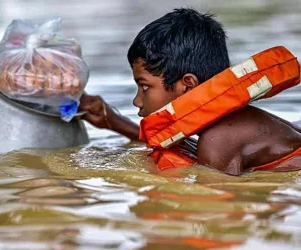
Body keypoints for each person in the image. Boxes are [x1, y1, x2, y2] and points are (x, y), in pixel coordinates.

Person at [79, 8, 301, 176]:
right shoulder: (226, 127)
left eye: (144, 86)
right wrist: (114, 122)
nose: (137, 101)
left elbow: (215, 208)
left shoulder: (218, 139)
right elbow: (181, 147)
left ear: (187, 85)